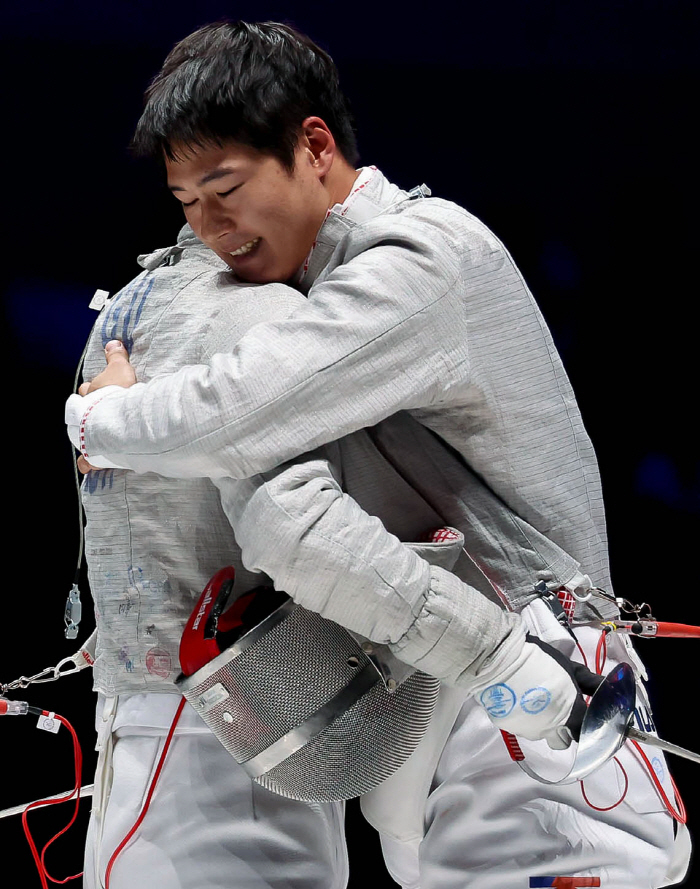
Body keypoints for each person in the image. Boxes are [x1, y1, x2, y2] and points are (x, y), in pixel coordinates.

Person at [65, 20, 691, 889]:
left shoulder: (418, 259)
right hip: (449, 691)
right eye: (186, 204)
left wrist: (104, 421)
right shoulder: (308, 289)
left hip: (542, 684)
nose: (209, 226)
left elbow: (236, 412)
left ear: (312, 146)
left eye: (226, 188)